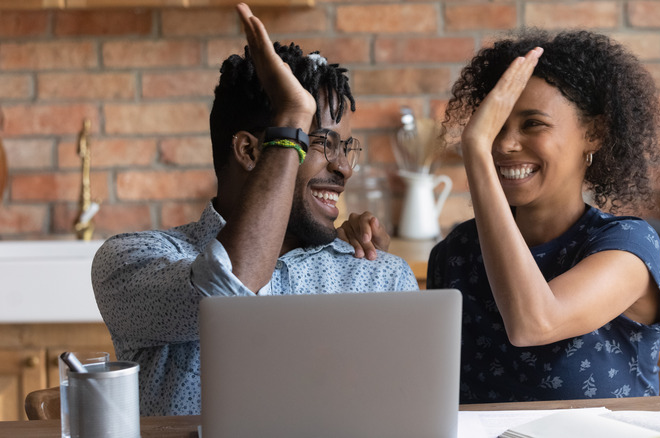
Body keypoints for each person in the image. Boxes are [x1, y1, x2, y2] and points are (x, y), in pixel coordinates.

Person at [92, 3, 417, 417]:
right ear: (250, 151)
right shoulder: (133, 261)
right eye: (319, 142)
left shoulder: (379, 275)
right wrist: (291, 118)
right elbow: (230, 289)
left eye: (345, 146)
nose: (345, 167)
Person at [345, 28, 660, 402]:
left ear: (594, 132)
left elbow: (534, 323)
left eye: (533, 123)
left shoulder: (627, 248)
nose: (503, 144)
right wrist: (372, 265)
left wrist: (475, 149)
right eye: (495, 128)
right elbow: (416, 384)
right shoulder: (457, 253)